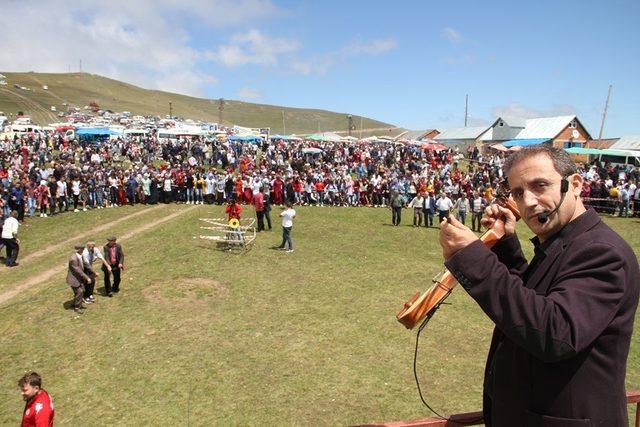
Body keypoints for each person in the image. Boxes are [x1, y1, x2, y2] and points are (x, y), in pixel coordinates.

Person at [439, 145, 639, 426]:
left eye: (540, 185)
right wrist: (506, 249)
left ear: (576, 184)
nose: (529, 201)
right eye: (519, 193)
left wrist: (474, 259)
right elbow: (535, 299)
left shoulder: (603, 252)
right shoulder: (566, 242)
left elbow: (555, 333)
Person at [67, 243, 90, 314]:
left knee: (80, 291)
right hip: (73, 279)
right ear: (79, 249)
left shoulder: (80, 255)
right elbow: (78, 270)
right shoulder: (73, 259)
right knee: (80, 292)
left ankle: (74, 303)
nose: (83, 250)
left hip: (78, 278)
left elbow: (86, 264)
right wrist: (87, 278)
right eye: (82, 249)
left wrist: (94, 272)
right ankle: (77, 307)